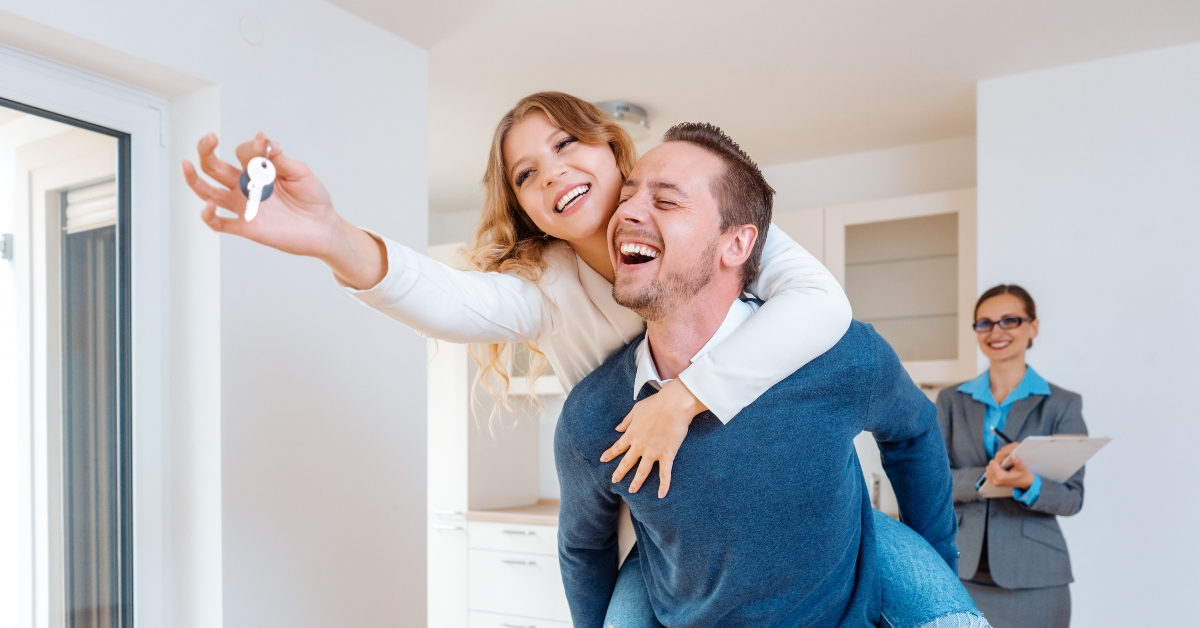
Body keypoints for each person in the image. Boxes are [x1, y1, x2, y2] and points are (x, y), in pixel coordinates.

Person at [555, 122, 987, 628]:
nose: (625, 211)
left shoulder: (839, 356)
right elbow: (584, 548)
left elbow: (914, 432)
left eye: (666, 202)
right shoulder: (593, 414)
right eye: (626, 197)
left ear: (737, 245)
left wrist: (934, 568)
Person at [938, 285, 1086, 627]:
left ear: (1032, 327)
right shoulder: (950, 401)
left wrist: (1029, 484)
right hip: (960, 572)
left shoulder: (1061, 404)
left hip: (1037, 579)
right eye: (985, 323)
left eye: (1010, 320)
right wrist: (985, 478)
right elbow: (931, 482)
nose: (996, 332)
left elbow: (1072, 498)